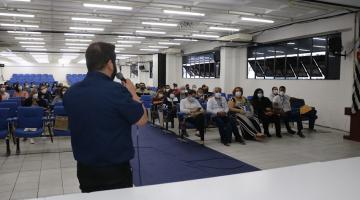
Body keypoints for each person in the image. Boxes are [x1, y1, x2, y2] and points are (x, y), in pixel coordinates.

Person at [63, 42, 148, 193]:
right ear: (110, 63)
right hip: (114, 170)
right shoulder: (116, 91)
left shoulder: (71, 93)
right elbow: (141, 120)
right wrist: (133, 93)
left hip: (85, 169)